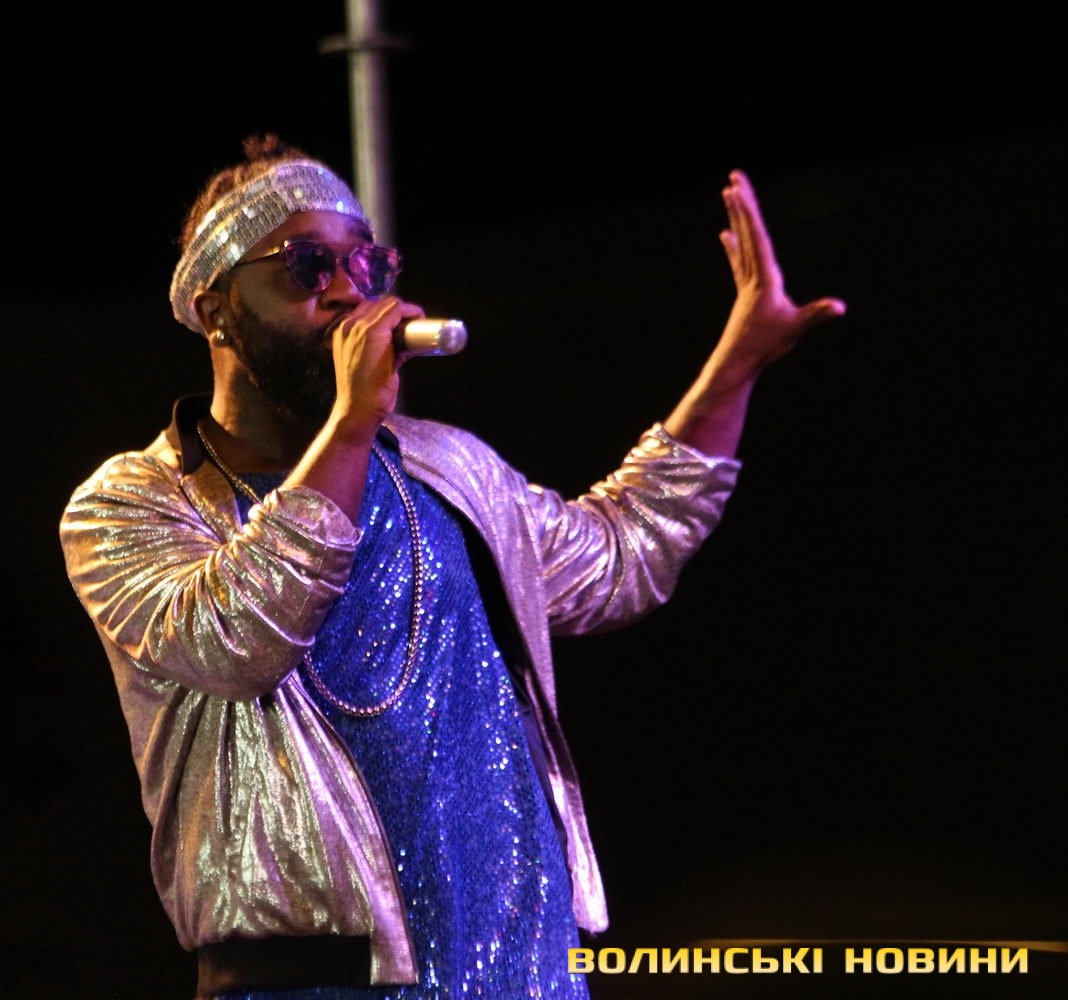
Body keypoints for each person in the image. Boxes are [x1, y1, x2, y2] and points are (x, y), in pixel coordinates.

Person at [58, 133, 845, 999]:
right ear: (216, 310)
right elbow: (237, 638)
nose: (349, 291)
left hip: (526, 976)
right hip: (313, 985)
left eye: (365, 263)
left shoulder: (448, 469)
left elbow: (621, 555)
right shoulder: (130, 504)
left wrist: (739, 361)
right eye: (308, 265)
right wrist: (352, 423)